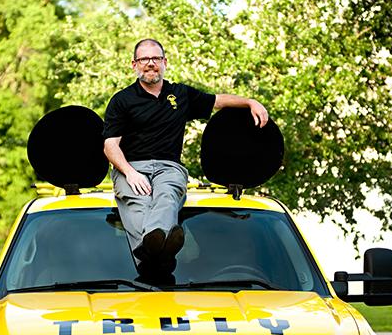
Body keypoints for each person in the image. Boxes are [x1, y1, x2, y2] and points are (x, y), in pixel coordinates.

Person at [102, 38, 268, 281]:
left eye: (156, 59)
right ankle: (163, 257)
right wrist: (129, 172)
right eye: (144, 59)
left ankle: (151, 253)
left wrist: (250, 102)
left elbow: (217, 101)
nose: (151, 64)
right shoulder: (122, 100)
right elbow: (109, 145)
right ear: (134, 65)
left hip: (168, 167)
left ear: (165, 62)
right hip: (131, 167)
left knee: (167, 196)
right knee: (137, 202)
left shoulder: (180, 94)